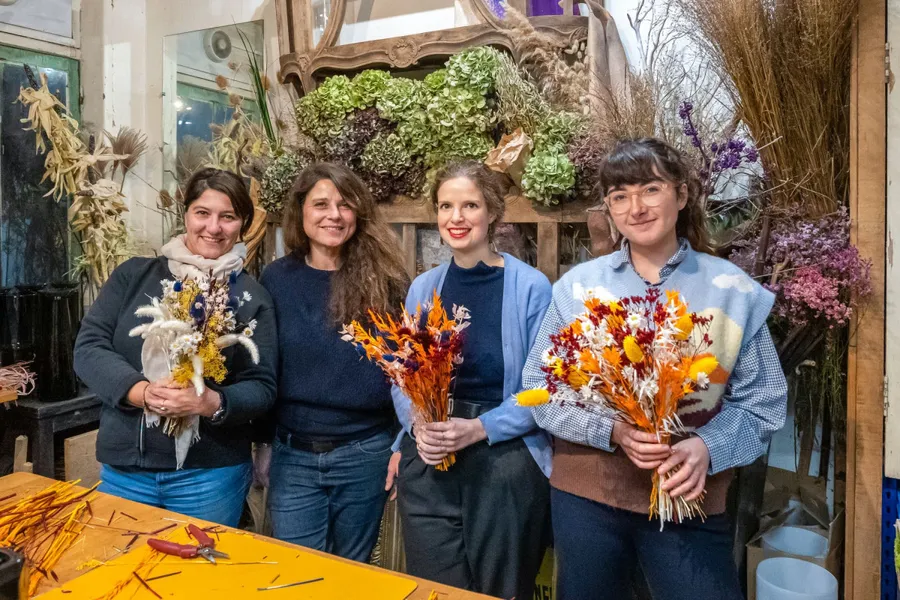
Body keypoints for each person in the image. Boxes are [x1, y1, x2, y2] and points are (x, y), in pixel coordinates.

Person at [522, 138, 788, 600]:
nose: (636, 207)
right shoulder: (578, 288)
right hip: (588, 496)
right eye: (620, 196)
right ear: (608, 208)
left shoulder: (731, 291)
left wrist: (708, 447)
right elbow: (541, 389)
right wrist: (613, 431)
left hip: (689, 496)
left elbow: (764, 401)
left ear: (681, 196)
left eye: (650, 189)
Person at [74, 167, 277, 527]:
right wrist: (142, 392)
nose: (213, 228)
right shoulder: (133, 276)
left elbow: (262, 387)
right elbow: (89, 349)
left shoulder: (250, 297)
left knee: (200, 578)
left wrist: (210, 402)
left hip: (209, 476)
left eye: (227, 217)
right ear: (185, 215)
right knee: (119, 570)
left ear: (243, 223)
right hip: (127, 473)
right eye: (203, 213)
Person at [391, 160, 552, 600]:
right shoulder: (423, 287)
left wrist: (480, 428)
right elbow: (402, 375)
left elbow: (546, 388)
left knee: (499, 590)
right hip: (430, 456)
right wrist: (416, 426)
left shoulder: (531, 288)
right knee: (434, 589)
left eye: (469, 205)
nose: (456, 218)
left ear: (493, 212)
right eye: (446, 206)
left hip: (503, 459)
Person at [254, 163, 409, 562]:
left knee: (353, 572)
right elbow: (267, 367)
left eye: (345, 205)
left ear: (359, 213)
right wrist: (266, 443)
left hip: (364, 452)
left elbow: (404, 370)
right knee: (299, 573)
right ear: (300, 211)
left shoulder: (385, 280)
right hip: (294, 454)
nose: (334, 215)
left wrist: (399, 444)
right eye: (321, 204)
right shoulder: (277, 279)